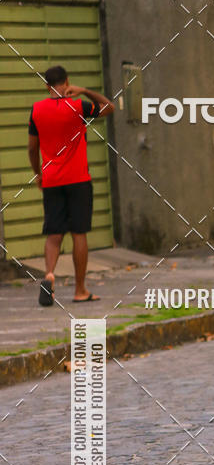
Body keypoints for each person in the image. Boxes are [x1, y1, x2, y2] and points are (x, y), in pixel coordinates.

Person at [28, 65, 115, 306]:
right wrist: (85, 90)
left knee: (53, 233)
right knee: (79, 233)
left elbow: (32, 148)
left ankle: (49, 275)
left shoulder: (37, 110)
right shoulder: (78, 106)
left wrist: (38, 174)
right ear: (67, 82)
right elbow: (110, 108)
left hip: (52, 179)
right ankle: (80, 290)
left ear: (47, 86)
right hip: (78, 180)